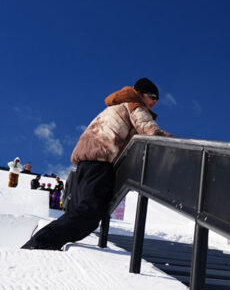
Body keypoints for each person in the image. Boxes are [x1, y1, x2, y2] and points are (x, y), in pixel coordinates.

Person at [22, 78, 173, 250]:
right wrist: (177, 141)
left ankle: (42, 243)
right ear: (139, 93)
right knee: (89, 214)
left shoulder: (114, 107)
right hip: (100, 163)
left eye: (157, 99)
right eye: (151, 96)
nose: (154, 102)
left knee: (80, 213)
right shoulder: (135, 105)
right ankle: (39, 244)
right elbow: (151, 132)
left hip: (85, 164)